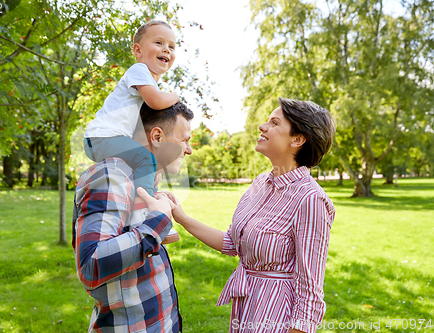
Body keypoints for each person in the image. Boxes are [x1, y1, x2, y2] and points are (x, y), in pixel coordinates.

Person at [140, 98, 336, 333]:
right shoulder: (261, 183)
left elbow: (310, 293)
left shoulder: (310, 199)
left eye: (274, 123)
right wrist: (180, 216)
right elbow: (233, 243)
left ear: (298, 139)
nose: (262, 126)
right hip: (245, 310)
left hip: (277, 319)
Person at [72, 101, 193, 333]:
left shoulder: (144, 182)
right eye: (184, 140)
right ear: (156, 136)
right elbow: (91, 265)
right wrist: (157, 223)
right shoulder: (113, 176)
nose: (189, 150)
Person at [84, 19, 180, 243]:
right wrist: (175, 96)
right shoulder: (139, 71)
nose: (166, 49)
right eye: (158, 42)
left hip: (106, 138)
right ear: (138, 50)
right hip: (101, 136)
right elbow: (156, 101)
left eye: (172, 46)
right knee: (145, 159)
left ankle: (130, 218)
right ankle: (147, 216)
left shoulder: (146, 81)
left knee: (142, 165)